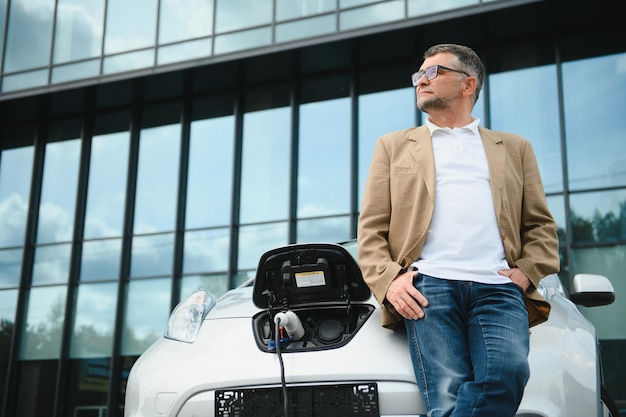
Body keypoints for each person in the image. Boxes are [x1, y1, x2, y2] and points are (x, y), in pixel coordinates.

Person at [357, 43, 560, 417]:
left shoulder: (514, 148)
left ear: (468, 85)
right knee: (446, 396)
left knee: (507, 373)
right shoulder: (392, 146)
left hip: (499, 286)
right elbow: (370, 230)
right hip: (428, 287)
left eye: (433, 73)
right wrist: (390, 281)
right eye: (418, 75)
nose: (421, 81)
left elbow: (540, 225)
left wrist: (527, 272)